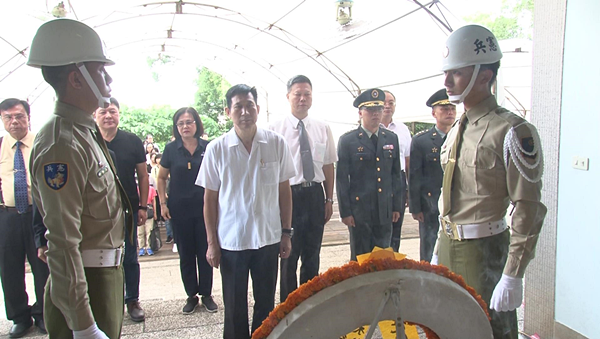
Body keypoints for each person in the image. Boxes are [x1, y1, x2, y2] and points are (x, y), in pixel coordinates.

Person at [434, 25, 546, 339]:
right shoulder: (458, 126)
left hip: (484, 251)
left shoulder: (511, 130)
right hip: (448, 244)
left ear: (484, 75)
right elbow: (451, 191)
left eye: (456, 73)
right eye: (446, 73)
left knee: (489, 331)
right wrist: (437, 243)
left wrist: (513, 274)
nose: (446, 82)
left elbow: (529, 207)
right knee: (447, 328)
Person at [27, 18, 133, 338]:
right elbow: (61, 242)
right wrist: (83, 324)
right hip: (86, 283)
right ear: (76, 78)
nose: (108, 77)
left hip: (105, 277)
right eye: (100, 70)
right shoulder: (62, 143)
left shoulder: (84, 131)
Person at [196, 84, 295, 339]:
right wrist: (211, 243)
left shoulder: (276, 143)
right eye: (238, 106)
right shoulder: (216, 149)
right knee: (234, 307)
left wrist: (286, 233)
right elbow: (209, 200)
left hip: (268, 239)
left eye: (250, 105)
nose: (244, 112)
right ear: (228, 111)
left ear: (258, 109)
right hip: (232, 242)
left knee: (265, 305)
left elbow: (284, 191)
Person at [268, 75, 337, 302]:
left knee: (312, 253)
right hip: (289, 196)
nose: (302, 99)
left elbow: (327, 165)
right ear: (288, 96)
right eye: (297, 94)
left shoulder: (322, 127)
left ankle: (309, 301)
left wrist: (329, 199)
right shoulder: (274, 130)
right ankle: (289, 305)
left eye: (307, 94)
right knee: (288, 254)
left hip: (315, 194)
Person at [93, 96, 149, 323]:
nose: (108, 115)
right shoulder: (89, 140)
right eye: (103, 112)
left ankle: (132, 300)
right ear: (95, 116)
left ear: (118, 114)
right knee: (100, 257)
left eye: (112, 111)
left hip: (128, 210)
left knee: (130, 256)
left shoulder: (132, 141)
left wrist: (143, 206)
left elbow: (143, 176)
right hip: (97, 212)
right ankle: (106, 301)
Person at [157, 107, 217, 315]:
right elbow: (161, 177)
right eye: (181, 123)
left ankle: (207, 294)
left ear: (196, 124)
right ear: (176, 127)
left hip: (205, 209)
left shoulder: (208, 147)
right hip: (179, 210)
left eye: (189, 122)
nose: (185, 126)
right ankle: (191, 295)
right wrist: (163, 204)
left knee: (206, 251)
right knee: (186, 253)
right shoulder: (170, 149)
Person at [0, 98, 50, 338]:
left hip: (37, 213)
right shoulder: (0, 146)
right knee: (9, 268)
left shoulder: (42, 144)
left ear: (28, 117)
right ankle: (20, 317)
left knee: (42, 266)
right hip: (7, 215)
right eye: (8, 117)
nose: (14, 121)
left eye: (19, 116)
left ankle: (43, 314)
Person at [336, 89, 402, 261]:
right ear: (360, 113)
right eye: (370, 110)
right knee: (361, 259)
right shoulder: (348, 141)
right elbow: (342, 179)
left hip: (384, 210)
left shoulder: (391, 138)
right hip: (360, 212)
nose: (376, 114)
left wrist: (397, 206)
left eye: (379, 109)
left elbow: (396, 175)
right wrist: (345, 212)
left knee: (383, 258)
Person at [408, 89, 456, 262]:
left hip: (458, 204)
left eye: (452, 108)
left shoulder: (462, 136)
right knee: (429, 249)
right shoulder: (422, 141)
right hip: (431, 205)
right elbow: (415, 175)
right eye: (444, 108)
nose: (449, 112)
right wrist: (416, 207)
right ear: (434, 113)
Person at [380, 90, 411, 252]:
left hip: (397, 181)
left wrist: (407, 190)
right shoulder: (369, 127)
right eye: (384, 102)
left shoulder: (402, 129)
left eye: (391, 102)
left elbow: (407, 162)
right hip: (377, 182)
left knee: (395, 231)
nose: (387, 106)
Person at [138, 183, 157, 256]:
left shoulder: (151, 189)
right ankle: (141, 247)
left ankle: (149, 247)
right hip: (139, 210)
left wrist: (155, 213)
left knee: (149, 230)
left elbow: (154, 202)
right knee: (140, 231)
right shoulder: (137, 189)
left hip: (149, 210)